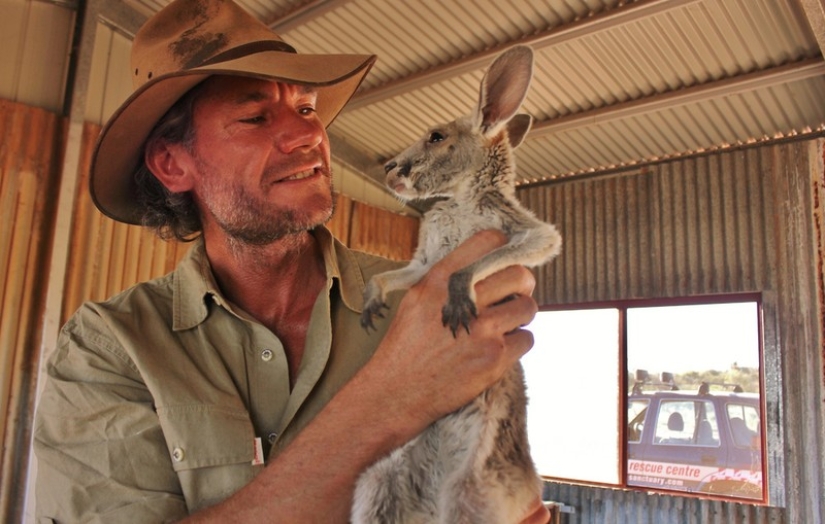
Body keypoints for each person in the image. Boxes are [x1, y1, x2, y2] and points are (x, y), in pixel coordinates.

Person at [33, 0, 550, 522]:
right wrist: (391, 399)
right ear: (173, 163)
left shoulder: (423, 303)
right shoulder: (108, 349)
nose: (310, 134)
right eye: (255, 116)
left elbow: (504, 500)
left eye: (306, 109)